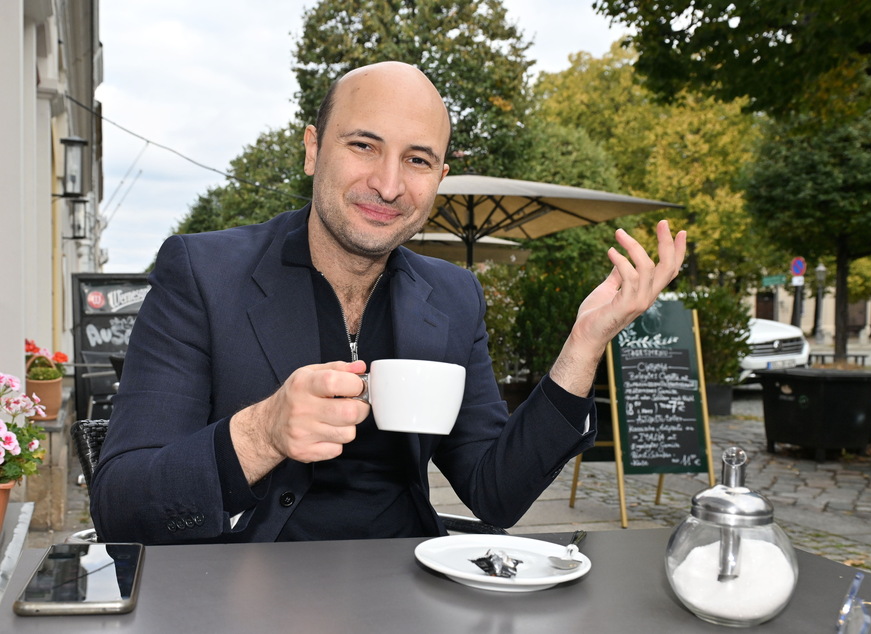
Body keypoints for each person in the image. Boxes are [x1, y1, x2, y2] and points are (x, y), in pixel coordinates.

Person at [90, 61, 686, 544]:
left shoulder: (453, 296)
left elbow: (495, 494)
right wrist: (262, 434)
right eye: (364, 145)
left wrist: (583, 346)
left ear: (439, 177)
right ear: (312, 149)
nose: (390, 184)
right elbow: (121, 505)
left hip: (407, 586)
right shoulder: (204, 272)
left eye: (417, 160)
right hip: (243, 592)